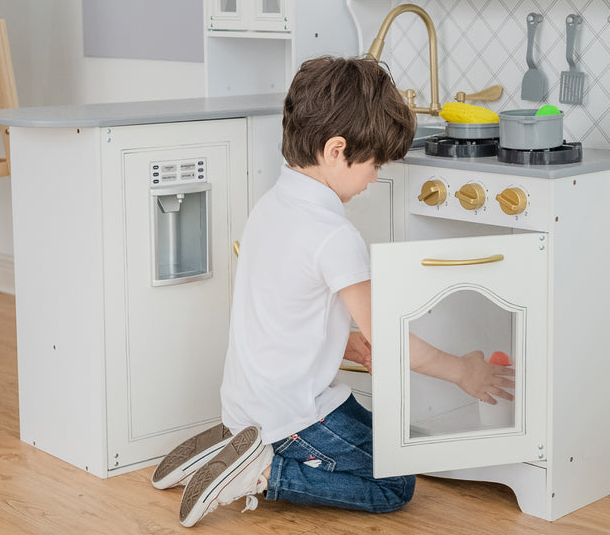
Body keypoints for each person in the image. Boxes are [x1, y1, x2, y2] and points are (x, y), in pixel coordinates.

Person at [153, 56, 514, 527]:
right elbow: (389, 336)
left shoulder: (271, 204)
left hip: (250, 399)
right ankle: (263, 469)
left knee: (388, 440)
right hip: (292, 416)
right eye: (374, 163)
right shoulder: (333, 235)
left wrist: (345, 338)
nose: (374, 176)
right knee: (395, 483)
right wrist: (462, 371)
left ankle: (232, 445)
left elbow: (285, 306)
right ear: (336, 150)